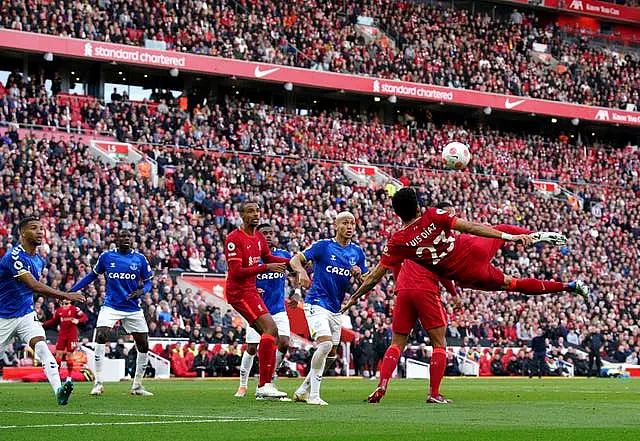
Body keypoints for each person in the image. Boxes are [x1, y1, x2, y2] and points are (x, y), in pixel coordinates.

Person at [345, 189, 589, 312]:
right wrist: (510, 237)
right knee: (501, 226)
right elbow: (471, 226)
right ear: (418, 206)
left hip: (467, 273)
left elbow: (375, 278)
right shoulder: (433, 214)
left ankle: (569, 286)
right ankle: (530, 235)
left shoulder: (397, 243)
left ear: (397, 214)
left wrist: (353, 299)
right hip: (471, 246)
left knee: (512, 284)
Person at [0, 216, 84, 405]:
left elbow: (32, 289)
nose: (39, 232)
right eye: (33, 228)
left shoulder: (39, 260)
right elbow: (34, 286)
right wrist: (66, 295)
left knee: (42, 348)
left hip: (26, 315)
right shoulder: (13, 257)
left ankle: (59, 391)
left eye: (41, 228)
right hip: (3, 316)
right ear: (22, 232)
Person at [290, 211, 367, 406]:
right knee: (324, 345)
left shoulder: (357, 252)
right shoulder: (323, 246)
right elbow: (295, 260)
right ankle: (314, 396)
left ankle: (303, 390)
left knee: (331, 355)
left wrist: (359, 275)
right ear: (335, 225)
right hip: (316, 302)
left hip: (335, 309)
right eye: (345, 223)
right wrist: (301, 272)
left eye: (352, 223)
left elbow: (367, 280)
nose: (349, 227)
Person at [71, 228, 154, 396]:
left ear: (132, 240)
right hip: (111, 306)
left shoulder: (140, 259)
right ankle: (98, 383)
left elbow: (148, 283)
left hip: (132, 308)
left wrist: (141, 291)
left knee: (143, 345)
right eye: (122, 236)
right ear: (116, 239)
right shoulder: (107, 257)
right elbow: (91, 277)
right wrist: (72, 291)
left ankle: (137, 385)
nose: (126, 239)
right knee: (101, 334)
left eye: (129, 236)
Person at [364, 259, 457, 404]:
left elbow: (395, 262)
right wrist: (454, 293)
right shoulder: (435, 238)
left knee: (396, 343)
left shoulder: (405, 237)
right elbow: (443, 270)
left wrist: (400, 282)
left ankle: (381, 385)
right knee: (439, 344)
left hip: (403, 289)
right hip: (426, 288)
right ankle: (434, 394)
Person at [224, 202, 291, 400]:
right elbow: (236, 272)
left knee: (272, 335)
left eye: (257, 211)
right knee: (269, 331)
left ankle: (266, 385)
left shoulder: (259, 237)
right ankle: (262, 385)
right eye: (250, 211)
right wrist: (266, 268)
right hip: (239, 294)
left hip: (251, 291)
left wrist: (295, 261)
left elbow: (269, 256)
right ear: (242, 215)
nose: (255, 214)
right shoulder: (234, 239)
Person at [43, 299, 88, 372]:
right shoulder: (59, 310)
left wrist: (78, 320)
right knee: (58, 354)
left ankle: (69, 377)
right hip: (62, 335)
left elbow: (85, 318)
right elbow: (53, 321)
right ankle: (57, 374)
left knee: (70, 354)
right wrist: (43, 324)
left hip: (72, 335)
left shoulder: (75, 309)